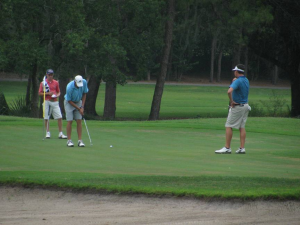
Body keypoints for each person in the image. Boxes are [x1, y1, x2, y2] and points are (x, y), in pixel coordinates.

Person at [215, 64, 251, 154]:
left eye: (235, 71)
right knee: (242, 127)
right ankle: (242, 148)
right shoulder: (246, 80)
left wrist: (232, 101)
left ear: (236, 71)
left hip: (238, 106)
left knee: (228, 125)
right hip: (245, 106)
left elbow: (229, 91)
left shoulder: (238, 81)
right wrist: (234, 81)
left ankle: (227, 148)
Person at [38, 69, 67, 139]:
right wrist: (48, 93)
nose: (50, 76)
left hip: (54, 101)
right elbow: (40, 93)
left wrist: (57, 95)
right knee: (46, 117)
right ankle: (47, 133)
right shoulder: (43, 83)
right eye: (49, 75)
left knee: (59, 117)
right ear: (47, 75)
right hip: (47, 101)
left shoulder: (56, 82)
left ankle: (60, 133)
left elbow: (58, 91)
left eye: (52, 75)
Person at [64, 75, 89, 147]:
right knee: (70, 121)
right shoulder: (69, 87)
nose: (79, 86)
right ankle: (69, 140)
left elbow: (84, 94)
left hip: (78, 101)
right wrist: (79, 109)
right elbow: (69, 100)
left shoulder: (84, 82)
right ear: (75, 81)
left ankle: (80, 141)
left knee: (79, 120)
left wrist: (82, 106)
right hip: (69, 103)